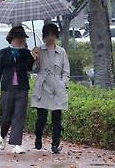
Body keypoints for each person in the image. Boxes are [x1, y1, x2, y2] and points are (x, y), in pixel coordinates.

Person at [0, 25, 36, 154]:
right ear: (12, 38)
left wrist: (33, 57)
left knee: (19, 115)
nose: (21, 41)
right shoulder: (3, 52)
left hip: (22, 88)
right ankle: (3, 135)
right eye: (19, 38)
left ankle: (16, 144)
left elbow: (29, 68)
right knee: (6, 115)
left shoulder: (25, 53)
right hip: (7, 87)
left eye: (23, 38)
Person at [31, 22, 70, 154]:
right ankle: (38, 137)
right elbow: (35, 69)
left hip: (57, 87)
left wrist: (63, 84)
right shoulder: (39, 50)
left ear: (56, 35)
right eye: (47, 34)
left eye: (52, 34)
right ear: (43, 36)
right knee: (41, 118)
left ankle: (55, 145)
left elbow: (66, 71)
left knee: (57, 118)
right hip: (43, 87)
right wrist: (34, 58)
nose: (50, 37)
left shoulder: (61, 52)